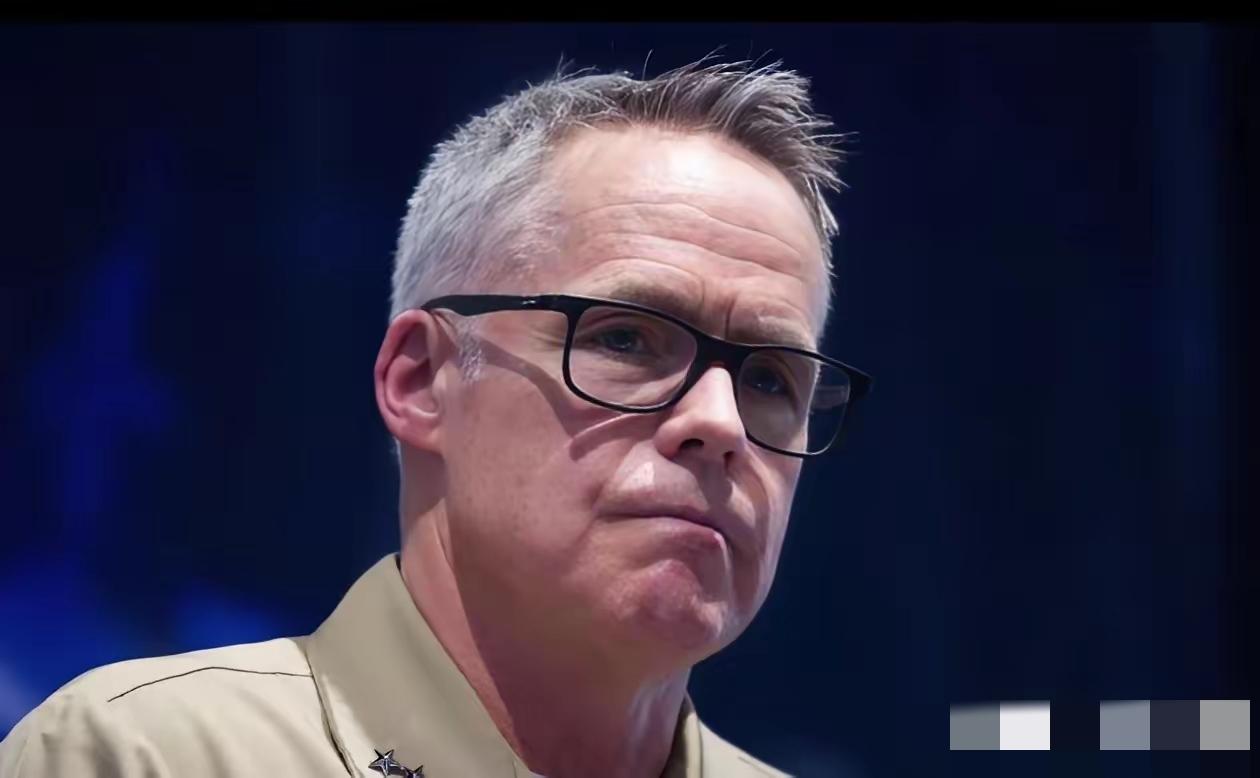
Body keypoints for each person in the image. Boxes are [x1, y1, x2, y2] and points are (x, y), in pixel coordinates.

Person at [0, 56, 871, 778]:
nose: (720, 421)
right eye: (627, 338)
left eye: (770, 380)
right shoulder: (141, 757)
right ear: (421, 381)